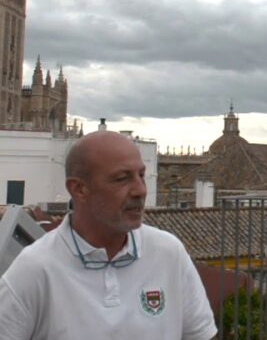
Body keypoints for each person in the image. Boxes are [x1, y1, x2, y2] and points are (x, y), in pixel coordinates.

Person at [0, 130, 217, 340]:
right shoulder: (35, 269)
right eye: (122, 179)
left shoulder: (168, 253)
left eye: (141, 175)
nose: (140, 190)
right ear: (79, 189)